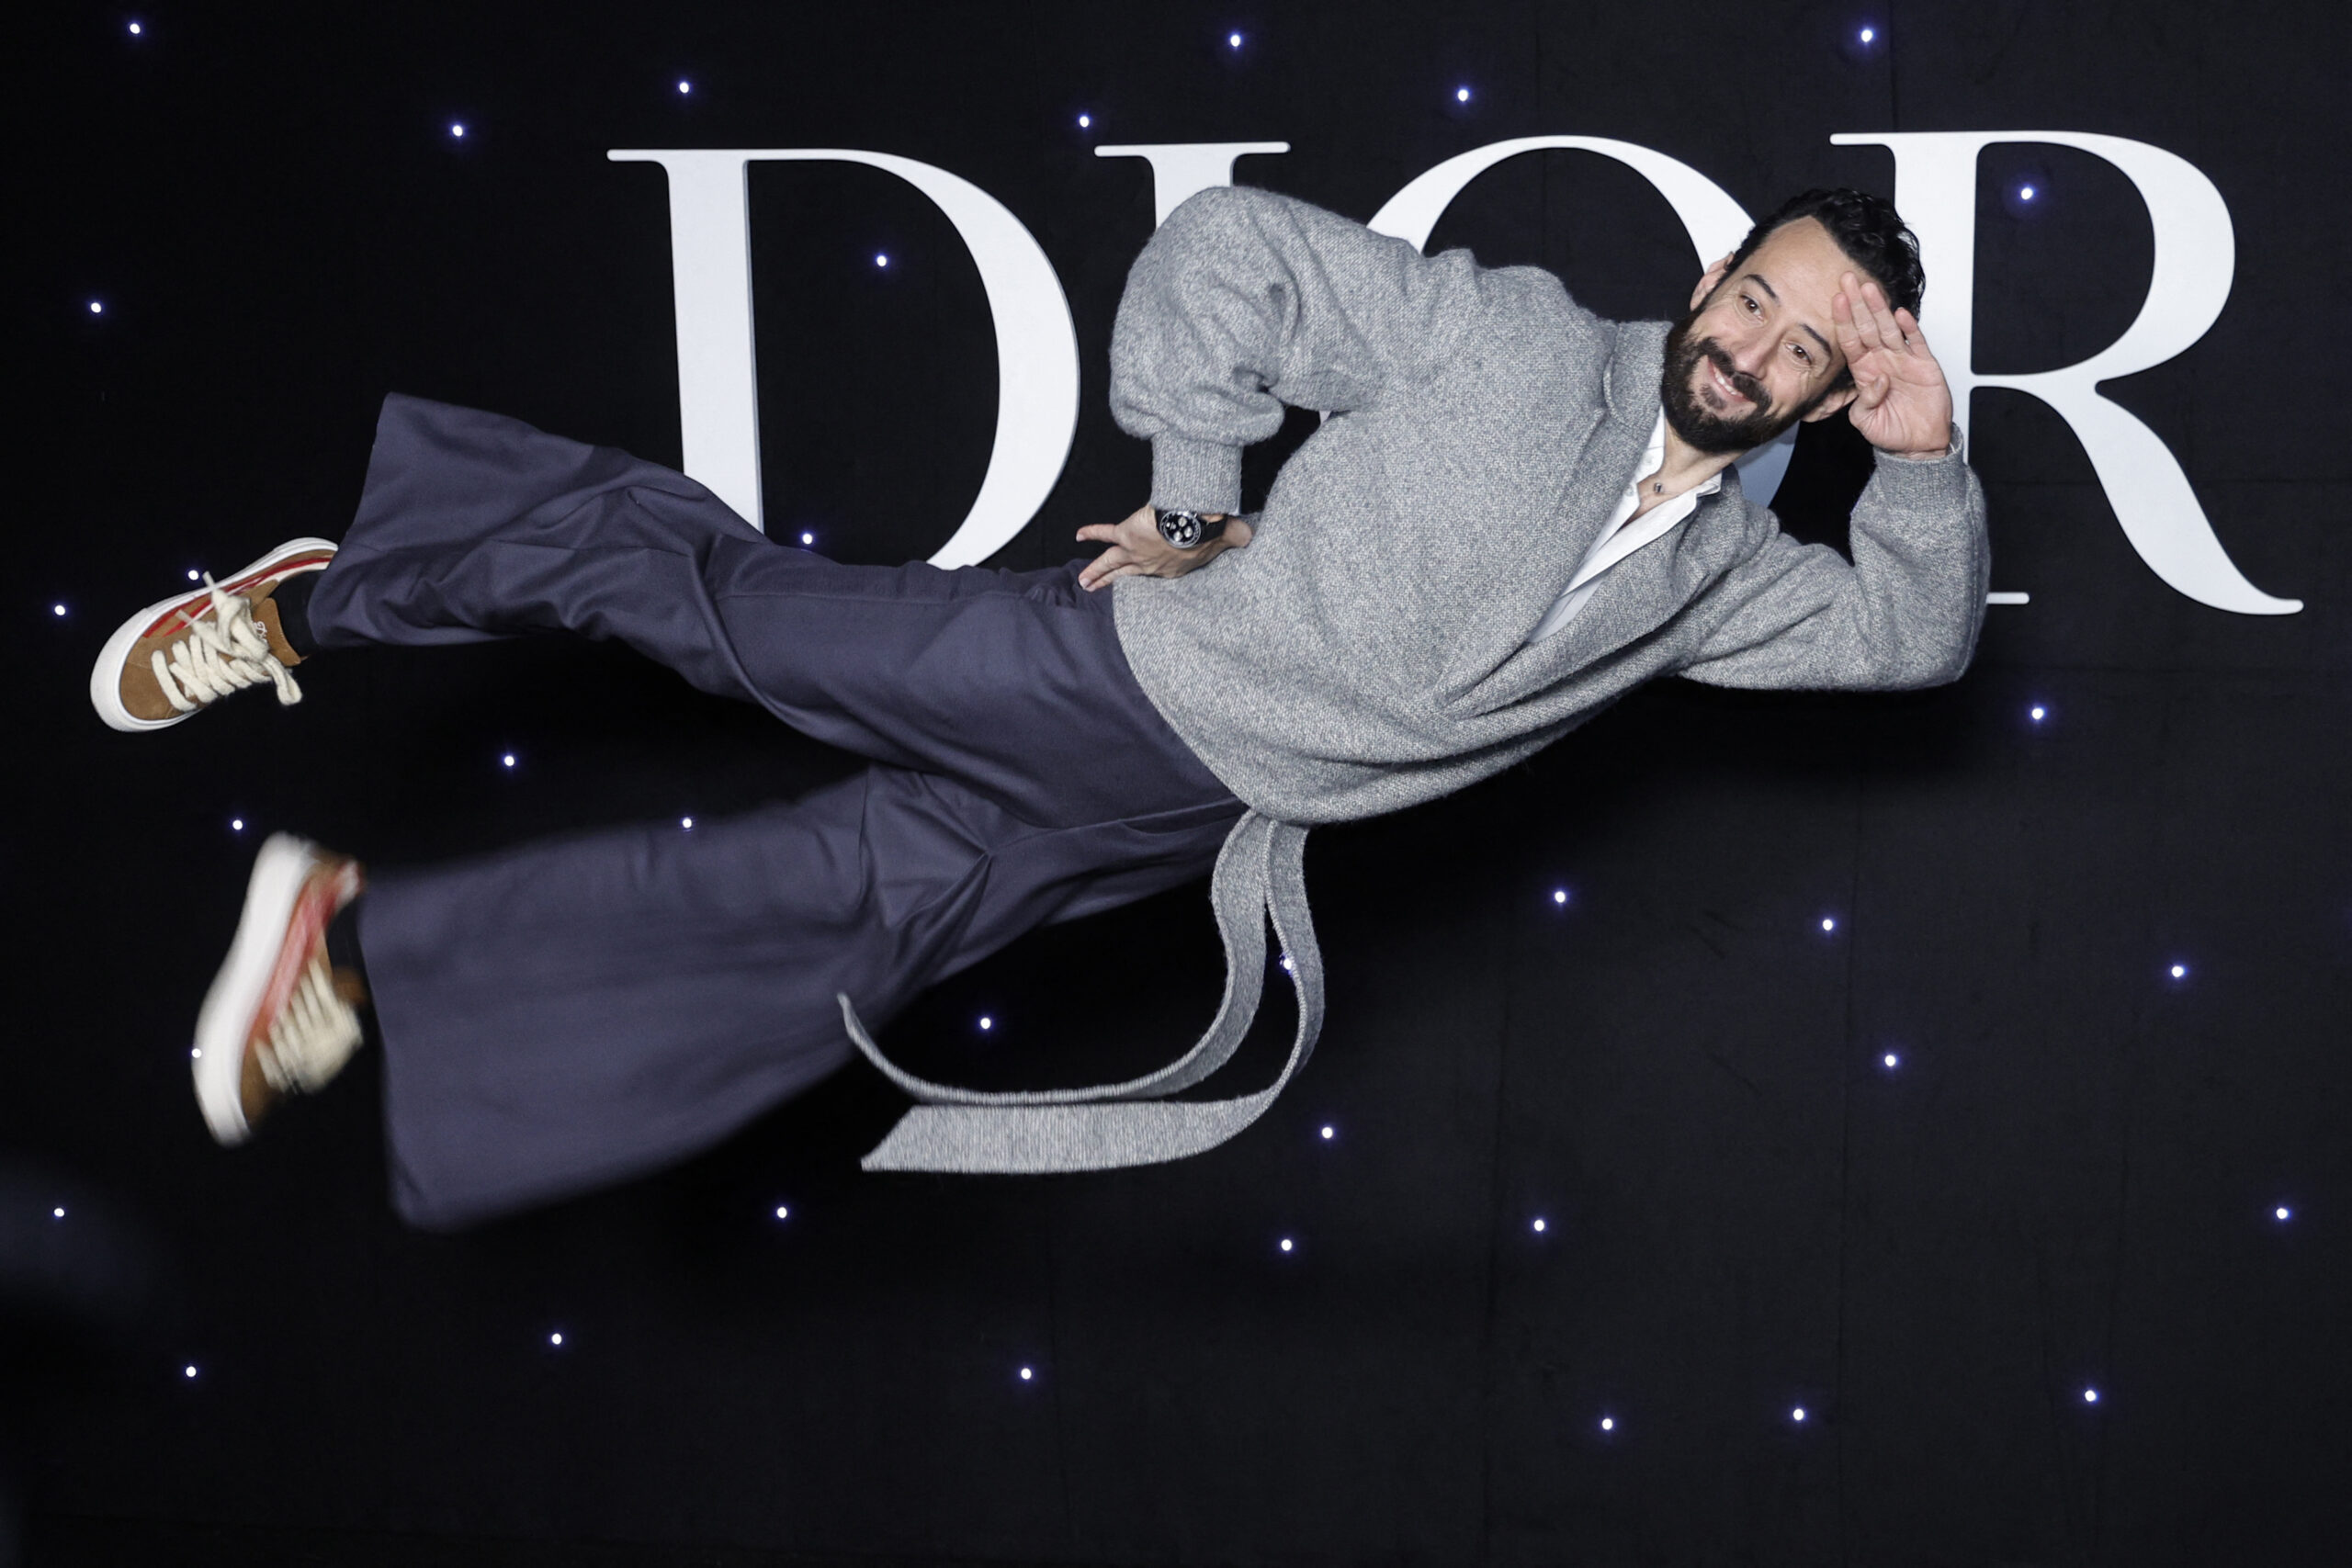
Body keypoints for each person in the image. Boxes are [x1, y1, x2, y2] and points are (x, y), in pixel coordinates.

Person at [88, 185, 1984, 1229]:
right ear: (1708, 275)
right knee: (721, 612)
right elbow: (1228, 253)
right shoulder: (1514, 339)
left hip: (1180, 821)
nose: (1754, 344)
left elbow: (1909, 643)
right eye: (1756, 295)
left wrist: (1922, 465)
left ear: (1825, 397)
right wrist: (1193, 503)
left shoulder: (1725, 578)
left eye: (1805, 349)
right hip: (1097, 670)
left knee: (803, 941)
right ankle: (322, 594)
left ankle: (361, 942)